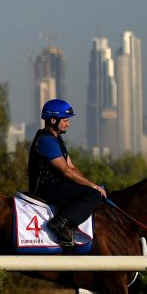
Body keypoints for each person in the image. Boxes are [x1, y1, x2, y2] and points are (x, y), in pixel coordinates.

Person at [27, 99, 106, 247]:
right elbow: (66, 171)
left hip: (56, 187)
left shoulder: (57, 140)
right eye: (65, 120)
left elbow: (72, 167)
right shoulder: (46, 141)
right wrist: (93, 188)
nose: (68, 124)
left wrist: (94, 185)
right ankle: (60, 223)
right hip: (45, 190)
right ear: (53, 120)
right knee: (92, 194)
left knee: (94, 191)